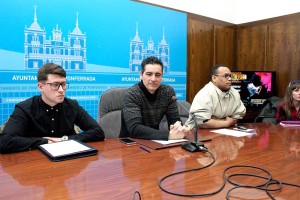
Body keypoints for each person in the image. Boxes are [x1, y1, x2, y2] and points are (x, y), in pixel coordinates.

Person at [0, 63, 105, 154]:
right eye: (55, 85)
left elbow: (98, 132)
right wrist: (44, 142)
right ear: (41, 87)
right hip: (34, 163)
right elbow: (5, 141)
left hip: (67, 162)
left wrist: (64, 139)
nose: (61, 90)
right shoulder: (25, 108)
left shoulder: (72, 105)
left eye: (63, 84)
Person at [119, 56, 187, 140]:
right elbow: (135, 129)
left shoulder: (168, 92)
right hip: (131, 143)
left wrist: (178, 129)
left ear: (162, 76)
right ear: (141, 75)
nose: (153, 79)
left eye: (157, 75)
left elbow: (174, 120)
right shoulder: (132, 94)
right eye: (149, 74)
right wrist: (168, 135)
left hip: (155, 141)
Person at [185, 64, 246, 129]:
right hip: (198, 133)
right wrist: (226, 122)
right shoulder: (205, 93)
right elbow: (202, 122)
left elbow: (238, 115)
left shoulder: (234, 92)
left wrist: (214, 121)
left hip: (223, 132)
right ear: (214, 78)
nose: (230, 79)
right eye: (226, 76)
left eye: (230, 76)